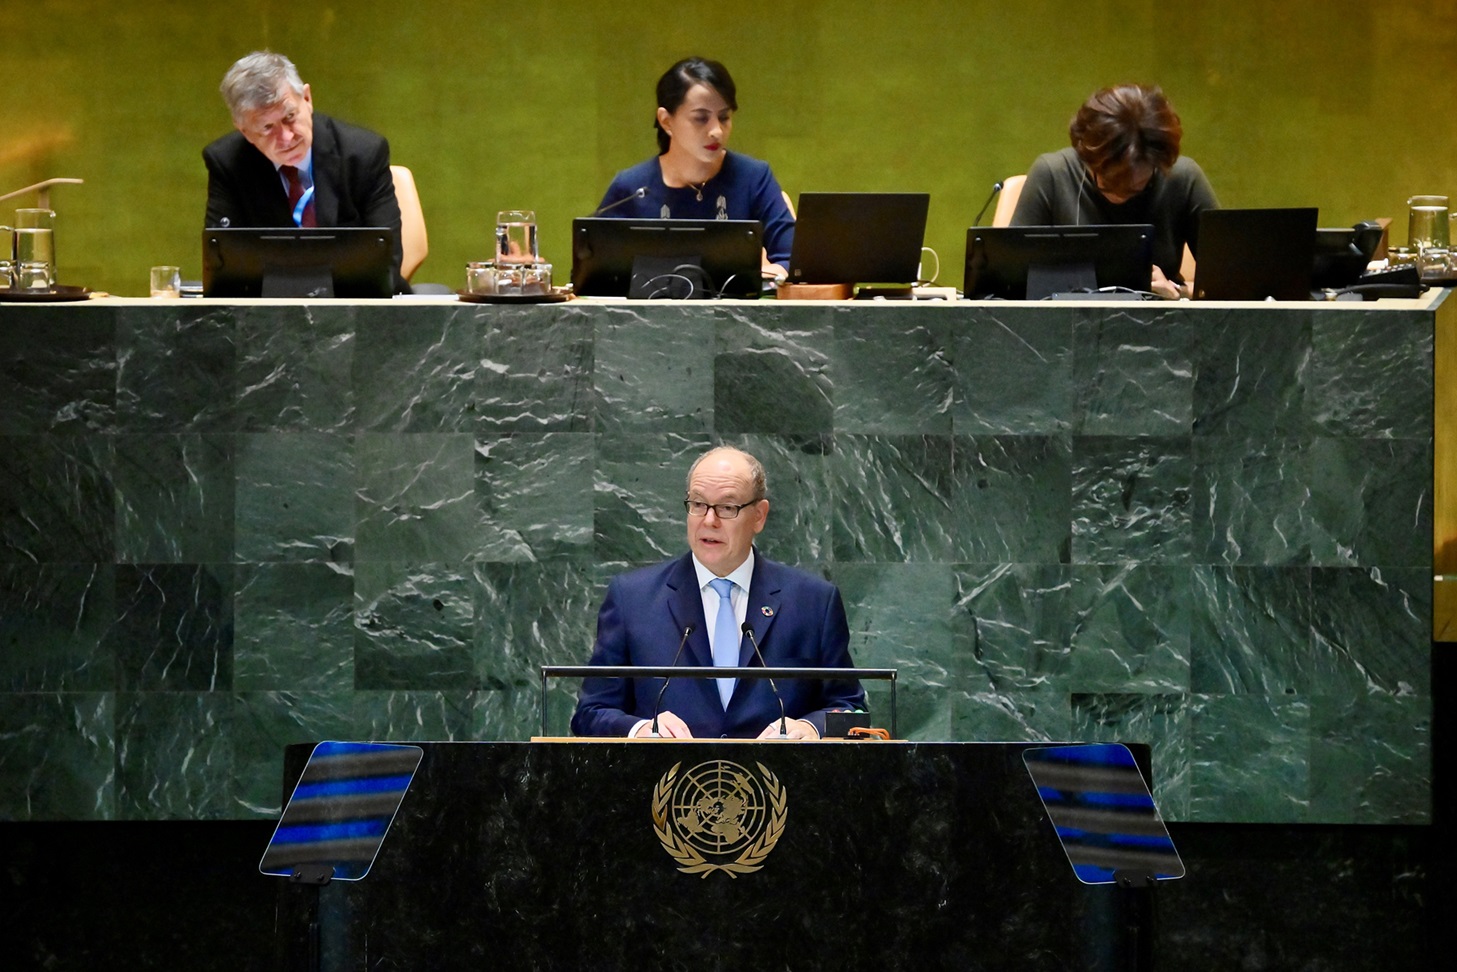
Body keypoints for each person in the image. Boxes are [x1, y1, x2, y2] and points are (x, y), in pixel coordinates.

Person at [571, 446, 865, 739]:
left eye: (727, 507)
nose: (709, 520)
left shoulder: (813, 602)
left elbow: (852, 710)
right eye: (698, 504)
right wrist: (639, 729)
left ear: (759, 516)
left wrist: (810, 726)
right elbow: (591, 713)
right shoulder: (632, 600)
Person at [203, 51, 408, 293]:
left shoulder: (364, 154)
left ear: (307, 99)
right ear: (245, 131)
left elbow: (386, 263)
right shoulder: (227, 163)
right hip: (268, 313)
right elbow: (225, 267)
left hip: (356, 307)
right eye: (267, 127)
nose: (286, 138)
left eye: (290, 116)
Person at [594, 57, 796, 281]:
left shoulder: (754, 178)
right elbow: (594, 276)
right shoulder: (632, 187)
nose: (716, 131)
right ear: (666, 121)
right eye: (701, 118)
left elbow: (792, 262)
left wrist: (763, 273)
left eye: (724, 117)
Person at [1010, 83, 1219, 299]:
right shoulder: (1052, 174)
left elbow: (1233, 288)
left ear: (1159, 164)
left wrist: (1176, 293)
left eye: (1135, 186)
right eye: (1107, 182)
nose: (1119, 195)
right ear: (1086, 155)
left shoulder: (1183, 178)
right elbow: (1007, 284)